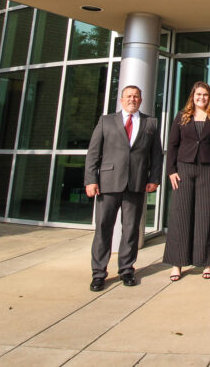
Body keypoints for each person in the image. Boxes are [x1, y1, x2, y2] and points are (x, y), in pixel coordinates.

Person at [84, 85, 163, 291]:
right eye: (128, 96)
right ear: (121, 100)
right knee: (103, 228)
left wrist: (154, 178)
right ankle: (99, 273)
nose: (132, 99)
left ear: (141, 99)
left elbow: (156, 155)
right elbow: (94, 153)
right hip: (108, 184)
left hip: (136, 184)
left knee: (131, 229)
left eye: (136, 96)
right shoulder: (106, 121)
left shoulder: (151, 123)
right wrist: (91, 180)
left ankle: (127, 269)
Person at [163, 81, 210, 281]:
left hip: (208, 171)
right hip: (184, 170)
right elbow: (172, 144)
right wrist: (171, 170)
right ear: (193, 96)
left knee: (205, 216)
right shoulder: (182, 117)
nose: (202, 98)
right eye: (198, 94)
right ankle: (177, 264)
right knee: (181, 216)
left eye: (205, 95)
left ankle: (206, 262)